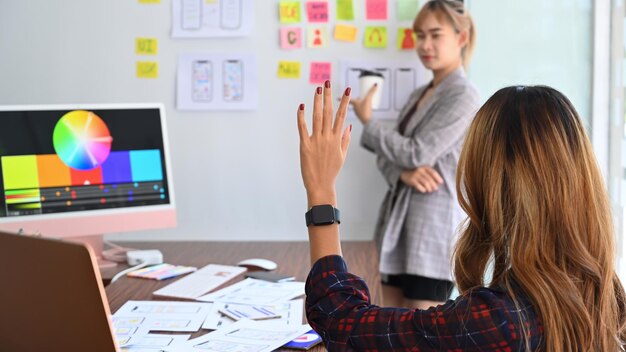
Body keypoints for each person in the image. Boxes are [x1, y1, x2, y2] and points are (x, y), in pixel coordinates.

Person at [297, 82, 626, 350]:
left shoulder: (499, 320)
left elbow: (339, 318)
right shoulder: (605, 292)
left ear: (486, 180)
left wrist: (321, 190)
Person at [350, 0, 480, 309]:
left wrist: (369, 121)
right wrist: (401, 174)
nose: (425, 45)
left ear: (461, 38)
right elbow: (394, 157)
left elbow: (416, 152)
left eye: (435, 35)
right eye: (419, 35)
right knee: (389, 329)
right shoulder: (417, 95)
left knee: (420, 336)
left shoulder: (464, 95)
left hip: (432, 233)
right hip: (396, 229)